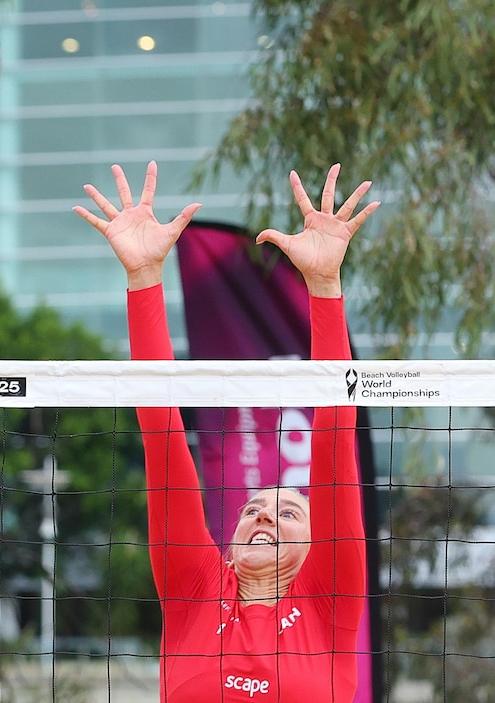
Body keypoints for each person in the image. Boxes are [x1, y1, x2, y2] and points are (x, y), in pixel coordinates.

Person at [74, 162, 376, 702]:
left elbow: (334, 434)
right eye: (252, 507)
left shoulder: (329, 598)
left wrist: (325, 286)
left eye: (287, 512)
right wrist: (143, 277)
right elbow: (162, 432)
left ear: (317, 546)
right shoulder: (196, 587)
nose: (261, 513)